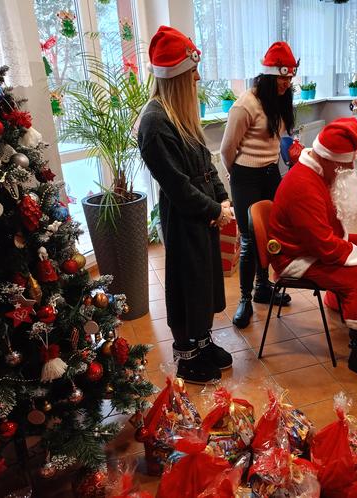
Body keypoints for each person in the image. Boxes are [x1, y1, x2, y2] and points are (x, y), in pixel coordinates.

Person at [268, 118, 357, 387]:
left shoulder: (323, 169)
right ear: (333, 160)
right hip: (295, 257)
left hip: (315, 245)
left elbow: (356, 190)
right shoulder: (303, 186)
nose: (352, 170)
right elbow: (322, 245)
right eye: (349, 165)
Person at [138, 26, 234, 384]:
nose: (197, 77)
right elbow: (177, 187)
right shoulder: (155, 123)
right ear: (176, 75)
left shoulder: (179, 113)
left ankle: (203, 339)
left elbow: (205, 160)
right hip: (185, 217)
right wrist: (213, 210)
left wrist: (222, 199)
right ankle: (187, 354)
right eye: (192, 71)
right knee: (186, 281)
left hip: (203, 212)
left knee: (204, 281)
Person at [220, 41, 298, 329]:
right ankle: (245, 299)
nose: (286, 83)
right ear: (266, 76)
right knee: (250, 241)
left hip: (269, 174)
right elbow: (226, 150)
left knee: (271, 233)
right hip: (246, 177)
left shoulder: (279, 100)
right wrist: (236, 177)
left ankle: (263, 288)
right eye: (282, 77)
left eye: (290, 77)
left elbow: (277, 141)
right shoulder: (245, 105)